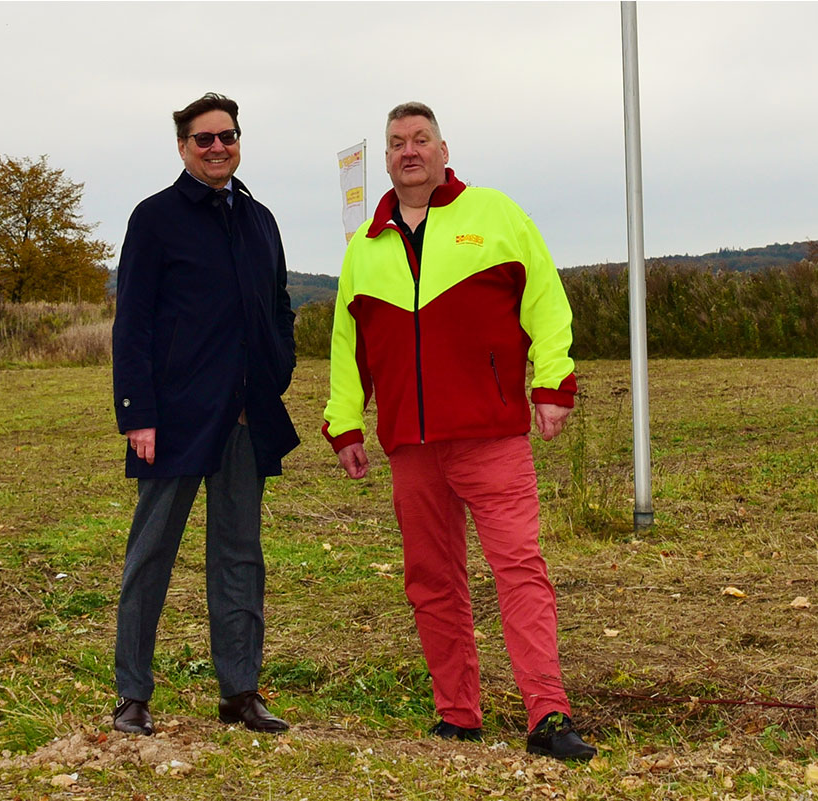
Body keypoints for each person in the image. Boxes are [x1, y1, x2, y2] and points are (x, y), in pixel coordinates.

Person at [322, 102, 595, 761]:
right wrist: (346, 422)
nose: (408, 151)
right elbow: (346, 343)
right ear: (386, 159)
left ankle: (547, 715)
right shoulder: (365, 245)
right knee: (431, 578)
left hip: (490, 435)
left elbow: (547, 301)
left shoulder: (495, 215)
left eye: (420, 140)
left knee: (519, 570)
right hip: (412, 447)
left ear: (444, 149)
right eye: (396, 143)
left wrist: (552, 382)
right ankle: (458, 714)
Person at [111, 92, 299, 736]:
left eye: (228, 136)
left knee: (240, 556)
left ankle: (240, 693)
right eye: (204, 139)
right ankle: (133, 695)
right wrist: (137, 413)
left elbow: (277, 306)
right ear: (184, 147)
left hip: (246, 419)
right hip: (173, 421)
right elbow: (131, 322)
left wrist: (277, 371)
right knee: (151, 555)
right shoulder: (155, 218)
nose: (217, 147)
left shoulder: (259, 219)